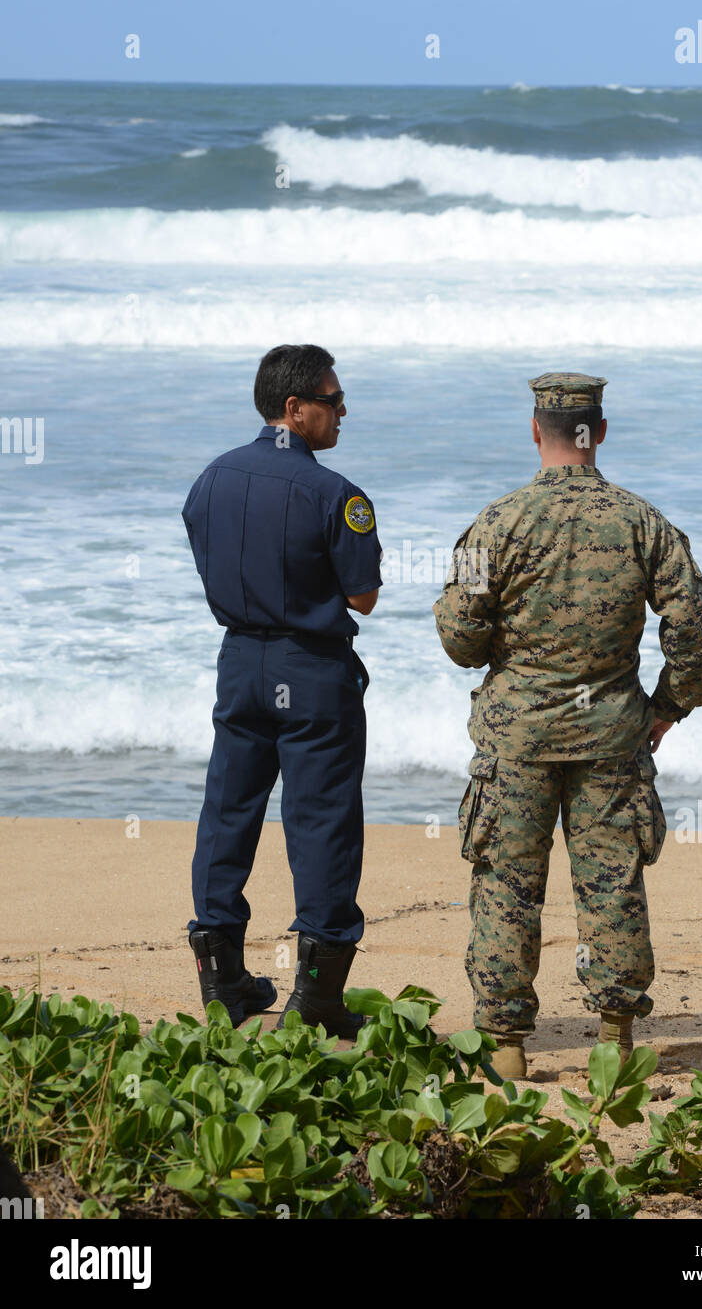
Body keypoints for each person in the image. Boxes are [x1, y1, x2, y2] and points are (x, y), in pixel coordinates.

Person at [432, 372, 702, 1079]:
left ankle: (505, 1044)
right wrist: (666, 707)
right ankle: (614, 1035)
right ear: (598, 432)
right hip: (611, 734)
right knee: (610, 881)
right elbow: (693, 627)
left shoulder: (494, 523)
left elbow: (460, 639)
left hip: (518, 736)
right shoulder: (642, 522)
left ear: (536, 431)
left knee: (505, 882)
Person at [181, 344, 382, 1037]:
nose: (341, 410)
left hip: (240, 662)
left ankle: (224, 983)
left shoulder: (211, 476)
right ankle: (318, 1001)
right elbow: (363, 596)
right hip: (311, 668)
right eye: (331, 399)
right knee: (320, 822)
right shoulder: (336, 494)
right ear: (293, 409)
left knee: (227, 812)